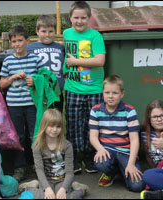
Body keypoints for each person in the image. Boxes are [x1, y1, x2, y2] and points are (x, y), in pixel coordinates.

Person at [63, 1, 106, 174]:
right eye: (76, 17)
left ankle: (89, 156)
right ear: (70, 18)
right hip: (73, 88)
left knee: (92, 124)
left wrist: (76, 62)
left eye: (83, 18)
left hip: (93, 89)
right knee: (73, 124)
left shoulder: (95, 36)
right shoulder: (66, 33)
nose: (79, 21)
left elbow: (99, 60)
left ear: (89, 18)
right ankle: (73, 158)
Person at [89, 75, 145, 192]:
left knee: (137, 186)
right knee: (101, 163)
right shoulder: (96, 110)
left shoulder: (129, 111)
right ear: (103, 93)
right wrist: (100, 149)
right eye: (107, 92)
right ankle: (111, 172)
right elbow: (93, 136)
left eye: (115, 93)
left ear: (122, 93)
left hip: (126, 153)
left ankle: (124, 168)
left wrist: (131, 164)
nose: (110, 96)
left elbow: (135, 140)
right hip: (107, 151)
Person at [0, 25, 40, 181]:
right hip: (14, 105)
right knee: (18, 136)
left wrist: (34, 81)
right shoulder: (8, 60)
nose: (17, 44)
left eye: (20, 41)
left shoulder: (35, 59)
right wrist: (12, 78)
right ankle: (20, 166)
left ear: (27, 41)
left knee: (35, 135)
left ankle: (37, 165)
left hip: (31, 104)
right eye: (14, 41)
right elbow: (2, 84)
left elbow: (44, 79)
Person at [20, 109, 88, 199]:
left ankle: (80, 189)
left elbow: (69, 172)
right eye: (51, 126)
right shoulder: (37, 146)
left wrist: (63, 188)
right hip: (46, 180)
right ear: (44, 126)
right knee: (44, 197)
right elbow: (39, 170)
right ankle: (31, 187)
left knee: (66, 197)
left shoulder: (67, 146)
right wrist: (47, 188)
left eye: (58, 126)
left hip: (62, 180)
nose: (55, 130)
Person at [27, 15, 65, 112]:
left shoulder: (60, 47)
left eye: (51, 31)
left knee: (56, 120)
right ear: (37, 31)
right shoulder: (30, 48)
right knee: (40, 120)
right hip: (39, 91)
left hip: (56, 90)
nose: (47, 34)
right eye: (43, 31)